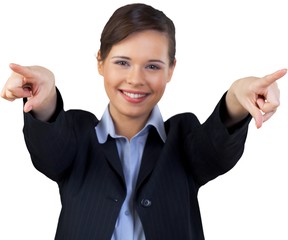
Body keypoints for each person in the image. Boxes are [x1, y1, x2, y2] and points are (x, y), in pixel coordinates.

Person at [1, 3, 286, 240]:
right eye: (122, 62)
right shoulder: (77, 137)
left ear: (171, 70)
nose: (136, 79)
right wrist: (45, 90)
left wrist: (238, 93)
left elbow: (214, 147)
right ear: (100, 62)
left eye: (152, 66)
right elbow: (50, 143)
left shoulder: (183, 139)